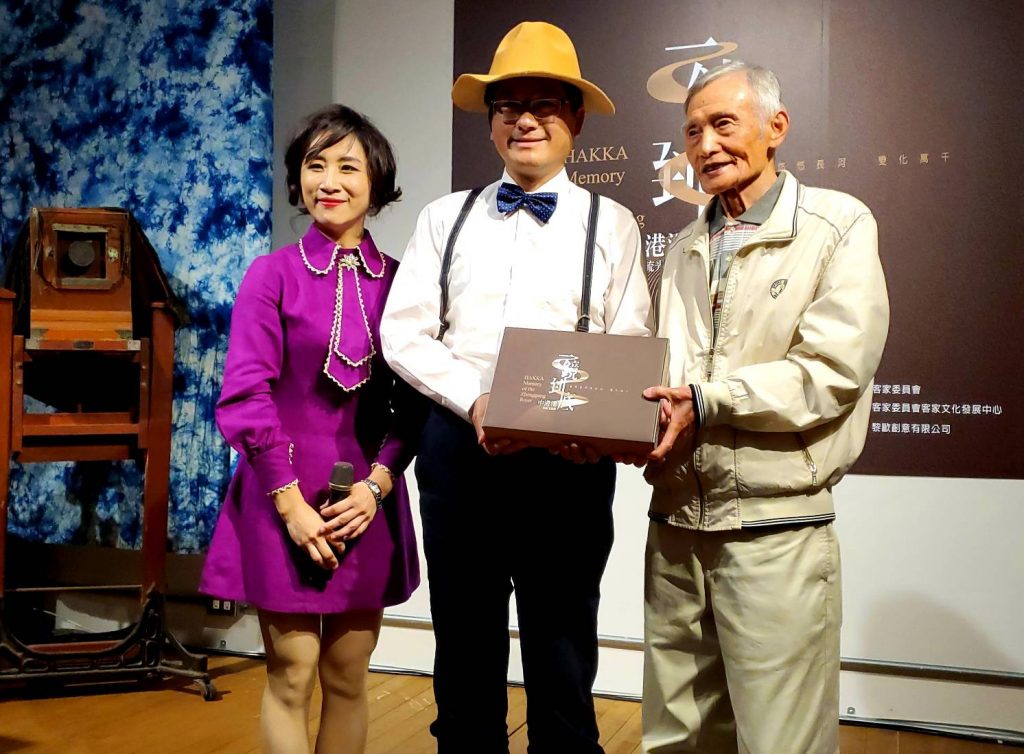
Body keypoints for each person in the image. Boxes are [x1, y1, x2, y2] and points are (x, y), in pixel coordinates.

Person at [380, 20, 651, 754]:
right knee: (464, 639)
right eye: (508, 105)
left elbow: (629, 341)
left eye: (545, 104)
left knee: (562, 642)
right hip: (458, 450)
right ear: (491, 120)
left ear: (577, 120)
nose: (525, 120)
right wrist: (477, 399)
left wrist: (586, 424)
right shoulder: (444, 217)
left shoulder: (612, 224)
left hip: (569, 461)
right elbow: (404, 332)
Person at [639, 62, 889, 753]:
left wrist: (708, 400)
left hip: (775, 529)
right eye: (693, 131)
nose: (706, 145)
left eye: (724, 123)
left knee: (781, 740)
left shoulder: (836, 224)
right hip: (674, 528)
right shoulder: (683, 246)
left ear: (776, 127)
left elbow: (832, 370)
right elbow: (663, 373)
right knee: (677, 737)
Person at [200, 105, 424, 754]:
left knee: (348, 675)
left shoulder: (403, 284)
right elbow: (246, 395)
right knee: (292, 673)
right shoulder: (269, 275)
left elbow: (413, 404)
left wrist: (378, 485)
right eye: (314, 165)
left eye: (347, 167)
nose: (329, 181)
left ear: (376, 182)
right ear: (297, 179)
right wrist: (290, 503)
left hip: (366, 499)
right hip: (280, 493)